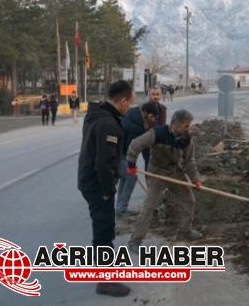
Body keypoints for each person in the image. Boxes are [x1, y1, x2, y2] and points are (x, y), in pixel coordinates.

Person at [77, 80, 134, 297]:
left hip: (89, 181)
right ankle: (106, 281)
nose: (129, 108)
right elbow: (104, 162)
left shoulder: (96, 115)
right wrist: (108, 190)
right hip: (97, 185)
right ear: (123, 100)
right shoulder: (108, 123)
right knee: (104, 231)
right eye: (129, 103)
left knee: (102, 230)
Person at [126, 109, 203, 249]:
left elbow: (189, 161)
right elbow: (135, 144)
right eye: (186, 125)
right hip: (157, 172)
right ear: (176, 124)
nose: (188, 128)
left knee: (189, 200)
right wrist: (131, 163)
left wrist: (195, 179)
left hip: (174, 172)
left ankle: (184, 231)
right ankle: (135, 241)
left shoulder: (186, 139)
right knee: (149, 207)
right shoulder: (158, 133)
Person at [116, 102, 159, 218]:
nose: (153, 120)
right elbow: (131, 149)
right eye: (152, 117)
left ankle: (120, 207)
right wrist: (131, 165)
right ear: (145, 113)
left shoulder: (135, 114)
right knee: (131, 176)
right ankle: (121, 209)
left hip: (117, 152)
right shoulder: (137, 124)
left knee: (126, 177)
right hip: (114, 154)